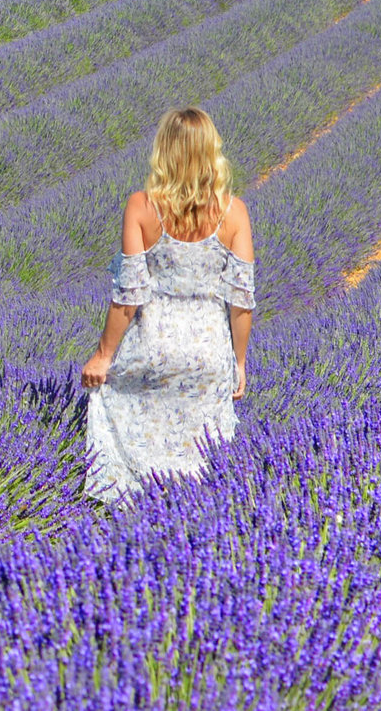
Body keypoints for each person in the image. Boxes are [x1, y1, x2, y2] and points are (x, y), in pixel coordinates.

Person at [80, 106, 256, 503]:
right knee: (201, 458)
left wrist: (104, 356)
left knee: (122, 422)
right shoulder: (234, 212)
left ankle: (132, 520)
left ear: (164, 151)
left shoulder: (142, 207)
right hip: (208, 352)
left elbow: (129, 294)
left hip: (153, 347)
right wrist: (238, 363)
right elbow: (241, 302)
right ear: (212, 151)